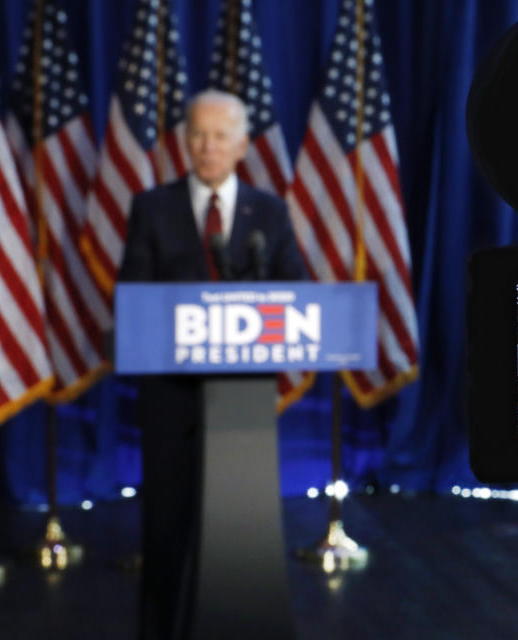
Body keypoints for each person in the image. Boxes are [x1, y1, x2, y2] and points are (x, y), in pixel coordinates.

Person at [118, 89, 305, 640]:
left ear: (243, 144)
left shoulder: (268, 211)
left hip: (243, 397)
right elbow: (134, 294)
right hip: (171, 396)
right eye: (198, 134)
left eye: (220, 135)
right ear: (184, 140)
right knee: (168, 524)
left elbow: (294, 292)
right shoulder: (152, 207)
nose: (208, 147)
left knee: (239, 524)